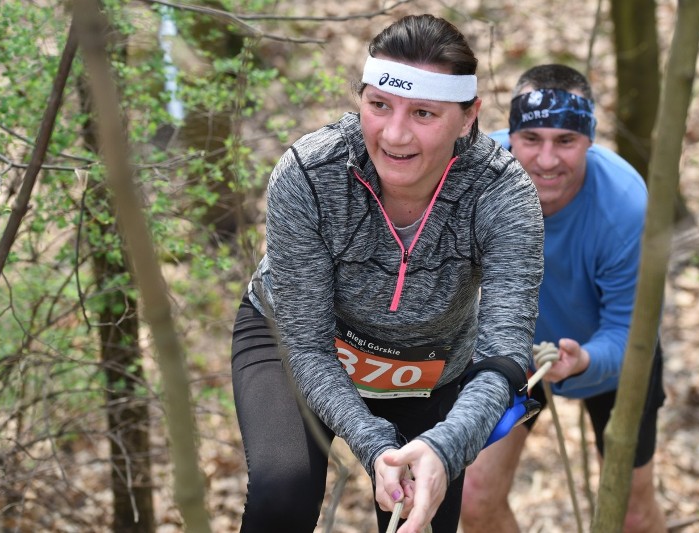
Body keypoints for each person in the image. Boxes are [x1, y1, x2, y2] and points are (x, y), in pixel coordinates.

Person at [230, 14, 545, 533]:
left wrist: (443, 451)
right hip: (299, 341)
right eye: (379, 105)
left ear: (469, 117)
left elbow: (504, 354)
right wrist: (376, 445)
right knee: (281, 492)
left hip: (430, 366)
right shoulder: (309, 173)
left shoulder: (502, 193)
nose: (395, 135)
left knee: (421, 516)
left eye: (424, 112)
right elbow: (308, 346)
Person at [460, 64, 667, 533]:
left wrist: (585, 360)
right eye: (531, 139)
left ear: (589, 141)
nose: (547, 160)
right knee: (473, 500)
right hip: (510, 347)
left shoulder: (626, 206)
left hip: (605, 353)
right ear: (511, 134)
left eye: (565, 141)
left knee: (632, 514)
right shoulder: (476, 174)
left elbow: (629, 332)